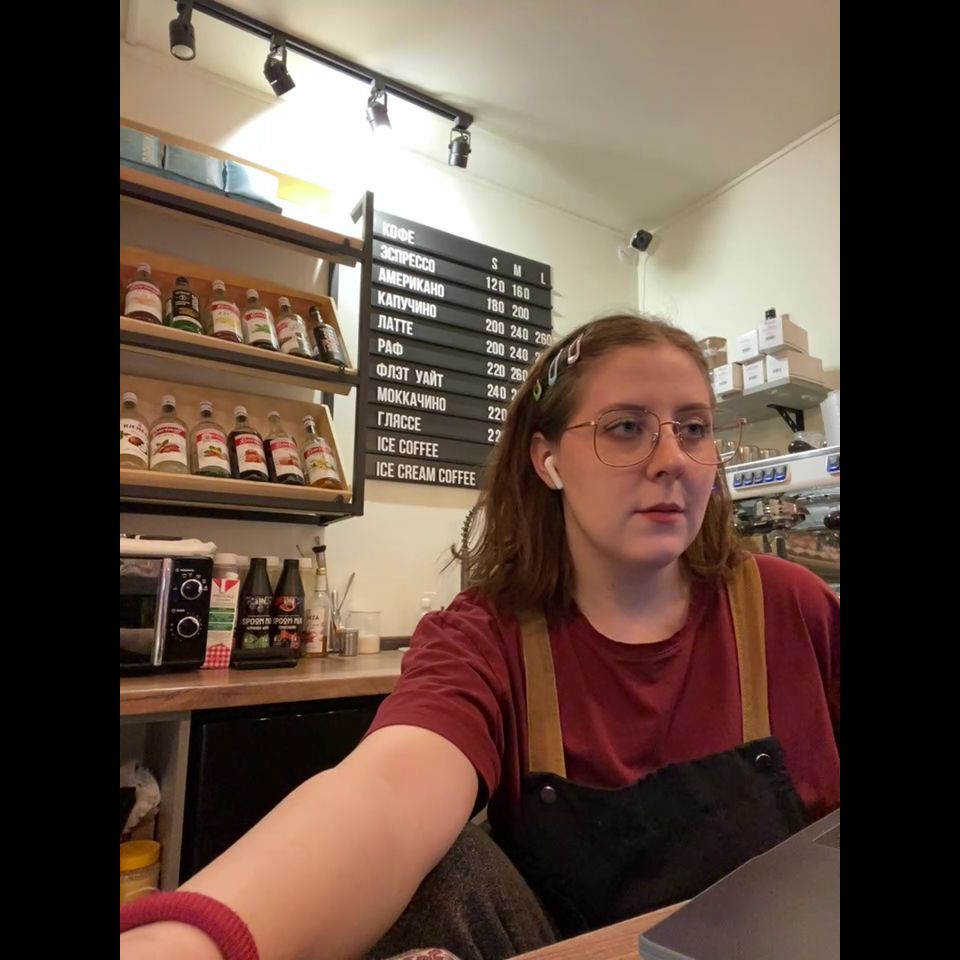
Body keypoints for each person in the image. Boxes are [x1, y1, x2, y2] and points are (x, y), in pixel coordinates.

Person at [120, 313, 840, 960]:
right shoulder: (487, 634)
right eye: (626, 427)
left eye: (694, 428)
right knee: (447, 869)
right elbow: (387, 795)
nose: (672, 459)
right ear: (547, 461)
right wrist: (190, 940)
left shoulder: (788, 603)